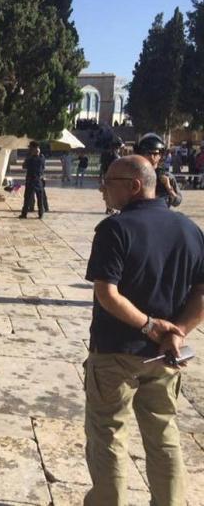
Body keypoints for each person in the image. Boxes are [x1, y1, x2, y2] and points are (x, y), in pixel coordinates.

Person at [83, 155, 204, 506]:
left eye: (108, 182)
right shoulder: (188, 229)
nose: (102, 189)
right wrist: (178, 331)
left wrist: (150, 326)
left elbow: (107, 293)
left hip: (116, 353)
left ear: (134, 186)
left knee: (108, 435)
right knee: (163, 434)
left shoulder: (115, 229)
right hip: (164, 355)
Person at [133, 132, 182, 208]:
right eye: (148, 153)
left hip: (162, 213)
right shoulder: (133, 175)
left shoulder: (168, 177)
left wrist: (168, 187)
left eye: (155, 153)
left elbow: (177, 202)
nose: (151, 157)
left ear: (161, 155)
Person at [19, 141, 45, 219]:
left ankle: (25, 214)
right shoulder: (42, 157)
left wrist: (29, 156)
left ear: (33, 148)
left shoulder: (31, 158)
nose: (29, 149)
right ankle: (40, 214)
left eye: (30, 148)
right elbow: (43, 168)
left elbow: (24, 166)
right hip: (38, 180)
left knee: (28, 198)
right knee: (38, 198)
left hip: (32, 180)